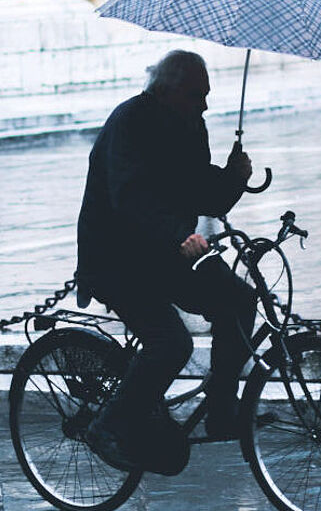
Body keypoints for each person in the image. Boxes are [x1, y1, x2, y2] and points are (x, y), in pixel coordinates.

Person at [75, 50, 256, 471]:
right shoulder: (128, 122)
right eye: (197, 95)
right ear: (168, 90)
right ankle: (108, 424)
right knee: (171, 343)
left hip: (168, 253)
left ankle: (221, 408)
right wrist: (179, 235)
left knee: (240, 301)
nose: (205, 105)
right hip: (119, 259)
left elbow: (201, 191)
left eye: (206, 95)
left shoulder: (191, 124)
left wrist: (233, 177)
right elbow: (130, 198)